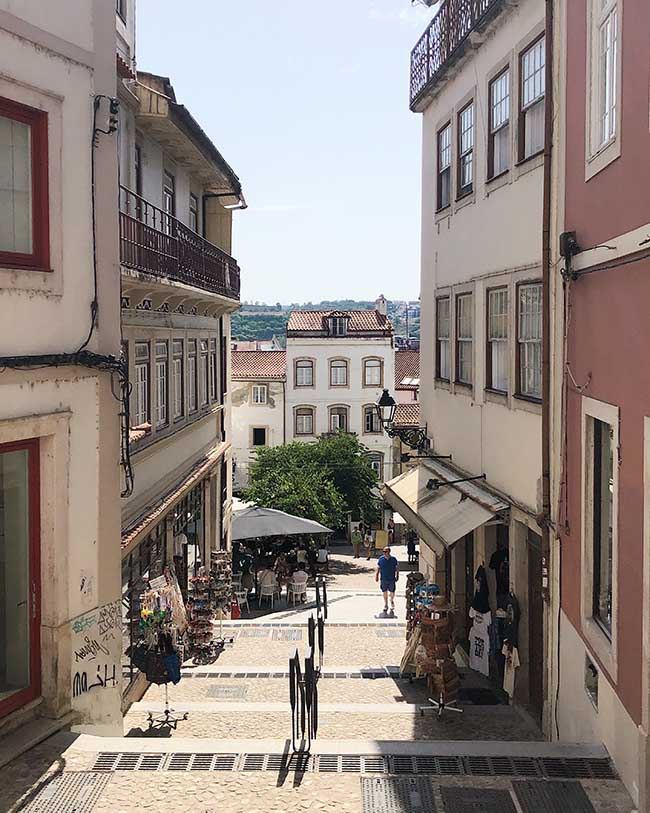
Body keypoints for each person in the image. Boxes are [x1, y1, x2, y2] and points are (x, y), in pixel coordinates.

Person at [375, 546, 399, 616]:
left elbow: (397, 568)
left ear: (389, 552)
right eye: (383, 552)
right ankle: (386, 604)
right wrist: (377, 575)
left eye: (386, 551)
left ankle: (391, 600)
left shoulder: (393, 559)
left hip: (391, 578)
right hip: (383, 578)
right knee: (384, 591)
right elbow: (378, 567)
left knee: (392, 592)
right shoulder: (381, 559)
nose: (384, 553)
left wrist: (397, 575)